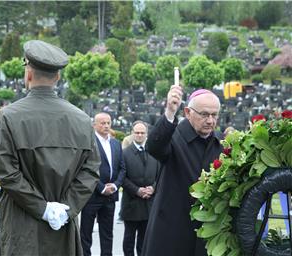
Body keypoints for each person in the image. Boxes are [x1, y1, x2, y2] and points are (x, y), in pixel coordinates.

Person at [0, 40, 100, 256]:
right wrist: (64, 208)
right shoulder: (82, 120)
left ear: (28, 74)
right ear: (58, 77)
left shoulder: (7, 117)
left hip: (21, 227)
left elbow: (5, 172)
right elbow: (91, 171)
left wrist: (43, 208)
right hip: (63, 227)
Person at [142, 87, 223, 256]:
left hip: (206, 229)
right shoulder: (173, 136)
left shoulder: (220, 143)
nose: (210, 121)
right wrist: (170, 112)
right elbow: (154, 147)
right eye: (204, 114)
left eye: (214, 115)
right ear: (187, 112)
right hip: (172, 228)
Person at [80, 112, 126, 256]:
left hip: (110, 196)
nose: (106, 126)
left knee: (107, 234)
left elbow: (122, 168)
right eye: (102, 123)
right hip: (92, 195)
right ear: (94, 125)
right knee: (86, 234)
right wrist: (101, 187)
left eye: (108, 123)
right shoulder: (88, 143)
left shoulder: (115, 143)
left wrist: (115, 185)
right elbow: (84, 168)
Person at [120, 121, 161, 256]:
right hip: (131, 203)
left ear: (146, 134)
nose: (139, 135)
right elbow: (122, 177)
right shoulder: (125, 153)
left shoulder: (154, 152)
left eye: (142, 133)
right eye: (136, 132)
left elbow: (160, 175)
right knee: (129, 239)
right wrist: (137, 190)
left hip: (149, 204)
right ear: (132, 133)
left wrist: (153, 188)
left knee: (145, 240)